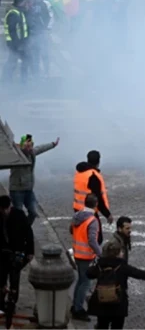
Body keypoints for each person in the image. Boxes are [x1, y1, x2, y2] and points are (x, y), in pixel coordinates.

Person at [87, 240, 145, 330]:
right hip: (118, 302)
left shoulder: (100, 265)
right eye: (121, 251)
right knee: (117, 326)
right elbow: (140, 274)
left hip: (101, 301)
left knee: (102, 325)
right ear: (117, 254)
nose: (123, 253)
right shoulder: (122, 267)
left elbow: (89, 274)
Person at [8, 134, 58, 224]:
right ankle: (15, 232)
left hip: (29, 190)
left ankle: (24, 229)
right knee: (17, 214)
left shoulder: (32, 153)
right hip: (16, 190)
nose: (29, 148)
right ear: (22, 145)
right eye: (27, 145)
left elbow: (41, 148)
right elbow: (10, 147)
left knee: (33, 213)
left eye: (31, 145)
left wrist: (53, 144)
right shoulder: (16, 154)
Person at [0, 194, 33, 324]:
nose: (4, 212)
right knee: (1, 277)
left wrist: (30, 252)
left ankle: (12, 302)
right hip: (2, 253)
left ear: (10, 207)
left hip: (17, 252)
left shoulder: (19, 215)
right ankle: (1, 302)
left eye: (6, 209)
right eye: (2, 209)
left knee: (15, 278)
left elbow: (28, 233)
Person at [71, 194, 104, 321]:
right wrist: (100, 253)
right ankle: (78, 309)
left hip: (77, 253)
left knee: (80, 281)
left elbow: (71, 230)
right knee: (85, 283)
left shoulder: (77, 215)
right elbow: (92, 241)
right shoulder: (92, 220)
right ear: (96, 205)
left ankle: (75, 305)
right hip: (86, 255)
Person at [2, 0, 29, 83]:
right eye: (25, 2)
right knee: (13, 62)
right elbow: (12, 31)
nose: (26, 4)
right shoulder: (13, 14)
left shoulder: (19, 12)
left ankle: (10, 80)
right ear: (20, 3)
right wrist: (18, 44)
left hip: (19, 43)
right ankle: (7, 80)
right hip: (15, 44)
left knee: (17, 61)